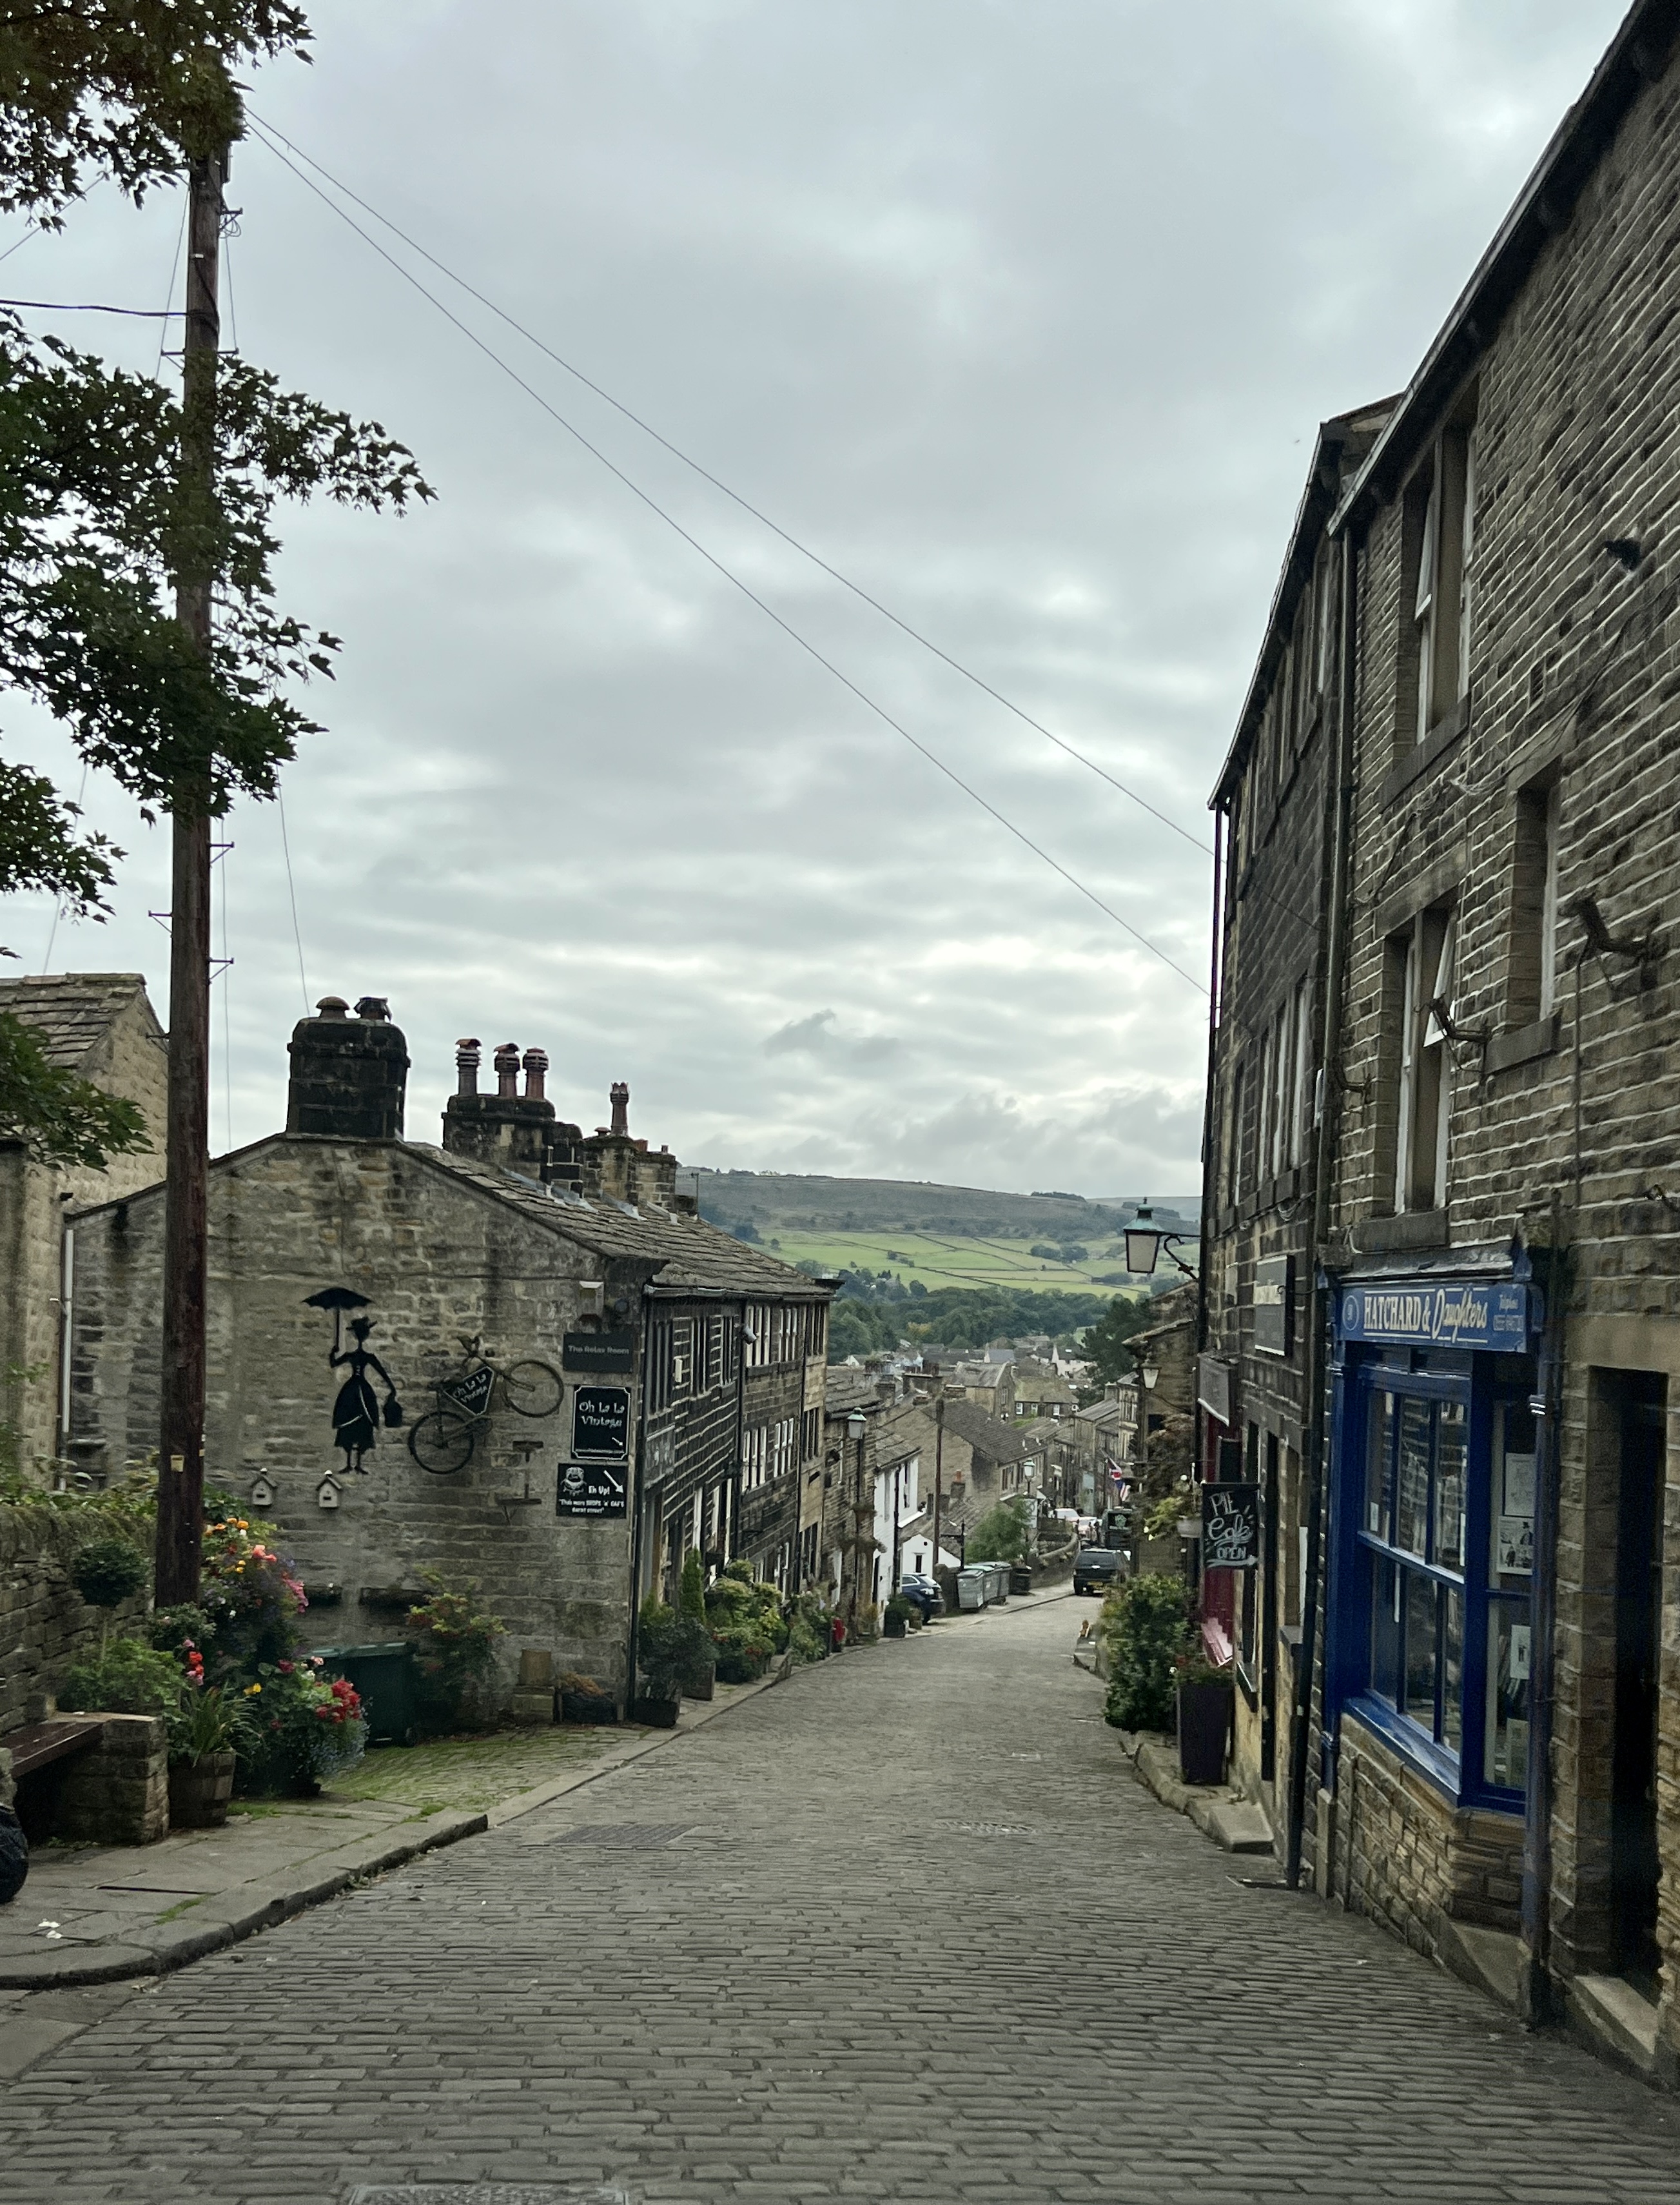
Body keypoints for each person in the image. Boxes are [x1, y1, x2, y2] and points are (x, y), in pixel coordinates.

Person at [329, 1315, 402, 1473]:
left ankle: (357, 1464)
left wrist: (392, 1387)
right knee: (351, 1422)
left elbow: (382, 1373)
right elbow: (334, 1363)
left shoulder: (362, 1356)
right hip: (356, 1390)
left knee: (363, 1423)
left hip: (356, 1389)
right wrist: (333, 1352)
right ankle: (351, 1464)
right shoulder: (357, 1356)